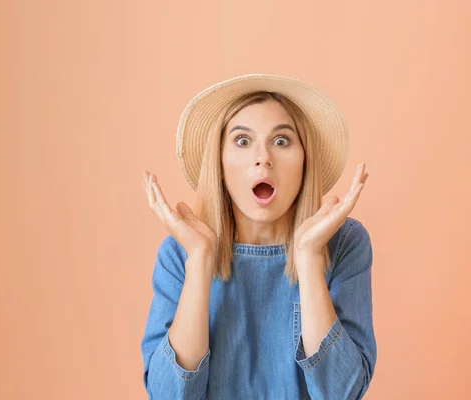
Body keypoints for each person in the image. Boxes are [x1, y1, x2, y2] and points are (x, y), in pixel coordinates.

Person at [140, 74, 376, 399]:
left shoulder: (344, 243)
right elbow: (168, 395)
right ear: (219, 162)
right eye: (242, 140)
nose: (263, 157)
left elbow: (342, 392)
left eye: (281, 141)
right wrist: (200, 262)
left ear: (306, 160)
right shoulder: (180, 254)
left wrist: (308, 257)